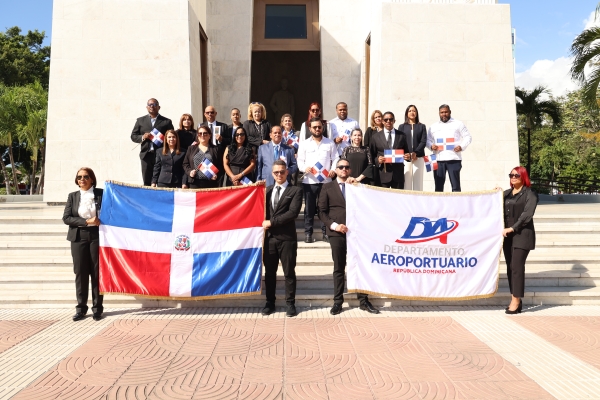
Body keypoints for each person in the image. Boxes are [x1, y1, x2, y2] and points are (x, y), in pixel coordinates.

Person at [319, 159, 379, 315]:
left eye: (346, 167)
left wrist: (357, 184)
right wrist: (334, 226)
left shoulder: (357, 187)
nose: (344, 169)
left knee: (360, 266)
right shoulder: (327, 187)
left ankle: (364, 301)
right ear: (336, 170)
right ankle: (338, 301)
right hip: (337, 232)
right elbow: (322, 212)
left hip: (357, 234)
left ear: (350, 170)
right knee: (339, 268)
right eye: (341, 167)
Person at [261, 160, 303, 317]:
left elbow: (292, 213)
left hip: (287, 238)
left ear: (287, 173)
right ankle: (269, 302)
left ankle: (290, 303)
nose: (279, 174)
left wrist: (271, 222)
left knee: (289, 272)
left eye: (282, 172)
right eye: (276, 172)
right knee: (270, 273)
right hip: (270, 239)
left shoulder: (296, 191)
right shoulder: (267, 191)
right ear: (272, 174)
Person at [62, 167, 103, 321]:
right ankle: (81, 309)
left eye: (86, 177)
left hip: (97, 236)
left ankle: (97, 309)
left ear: (92, 179)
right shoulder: (72, 196)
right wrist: (86, 221)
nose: (82, 179)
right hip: (78, 237)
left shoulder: (101, 194)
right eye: (79, 177)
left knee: (96, 273)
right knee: (81, 273)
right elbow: (66, 218)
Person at [501, 167, 538, 314]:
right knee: (510, 268)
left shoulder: (530, 193)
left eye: (516, 175)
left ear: (523, 177)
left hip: (522, 234)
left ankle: (516, 300)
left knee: (516, 267)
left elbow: (527, 215)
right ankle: (514, 297)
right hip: (507, 236)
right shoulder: (506, 194)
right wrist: (494, 193)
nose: (513, 177)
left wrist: (513, 228)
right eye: (511, 175)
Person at [297, 117, 338, 243]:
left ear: (323, 128)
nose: (317, 129)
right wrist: (304, 168)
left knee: (323, 208)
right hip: (309, 181)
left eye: (319, 127)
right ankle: (308, 233)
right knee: (309, 209)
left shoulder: (330, 143)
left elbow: (336, 158)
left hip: (325, 181)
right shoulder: (304, 144)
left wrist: (333, 170)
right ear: (310, 129)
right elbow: (300, 161)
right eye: (314, 127)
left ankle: (325, 232)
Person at [427, 104, 472, 192]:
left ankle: (456, 205)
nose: (444, 114)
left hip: (454, 158)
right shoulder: (433, 126)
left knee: (456, 187)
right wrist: (431, 146)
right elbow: (427, 140)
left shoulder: (458, 124)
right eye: (442, 112)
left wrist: (461, 147)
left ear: (450, 112)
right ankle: (438, 205)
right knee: (438, 188)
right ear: (439, 113)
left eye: (446, 112)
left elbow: (468, 137)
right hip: (437, 159)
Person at [130, 98, 174, 186]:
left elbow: (172, 136)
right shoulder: (140, 120)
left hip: (161, 154)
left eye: (154, 104)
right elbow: (133, 136)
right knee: (147, 182)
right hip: (146, 155)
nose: (152, 106)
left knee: (160, 181)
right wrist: (142, 137)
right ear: (147, 107)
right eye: (150, 104)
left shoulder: (166, 121)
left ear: (159, 107)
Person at [370, 111, 410, 189]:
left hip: (398, 174)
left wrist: (408, 156)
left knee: (398, 199)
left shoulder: (402, 135)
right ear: (382, 121)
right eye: (386, 120)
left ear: (394, 121)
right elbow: (372, 155)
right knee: (383, 200)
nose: (388, 121)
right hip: (383, 174)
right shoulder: (375, 137)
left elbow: (406, 152)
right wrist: (378, 160)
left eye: (391, 119)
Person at [397, 105, 428, 191]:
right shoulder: (402, 127)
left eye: (414, 111)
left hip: (418, 157)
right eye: (410, 111)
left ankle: (418, 202)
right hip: (406, 158)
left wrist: (416, 153)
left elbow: (423, 141)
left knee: (418, 182)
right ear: (407, 113)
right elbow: (400, 142)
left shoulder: (422, 126)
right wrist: (406, 154)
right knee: (406, 182)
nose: (412, 112)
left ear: (417, 113)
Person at [200, 106, 229, 185]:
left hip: (219, 157)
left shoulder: (224, 126)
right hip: (205, 156)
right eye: (207, 113)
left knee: (218, 181)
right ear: (204, 114)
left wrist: (222, 139)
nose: (210, 114)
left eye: (212, 112)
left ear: (215, 113)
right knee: (206, 182)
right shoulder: (201, 126)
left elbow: (230, 141)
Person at [281, 113, 300, 185]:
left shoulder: (298, 133)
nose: (287, 122)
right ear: (282, 123)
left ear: (292, 123)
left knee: (293, 179)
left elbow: (302, 146)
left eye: (289, 121)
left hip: (293, 159)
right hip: (282, 159)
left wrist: (298, 153)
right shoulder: (279, 133)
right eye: (285, 121)